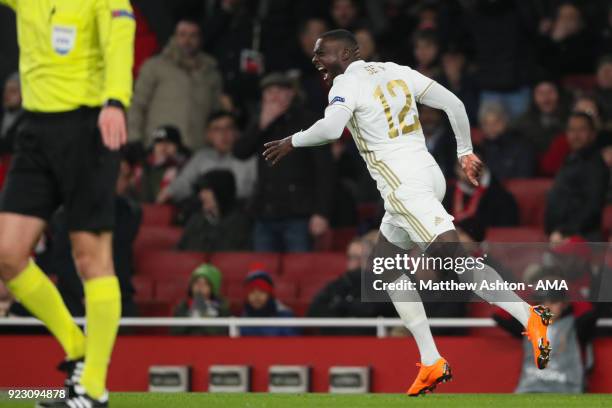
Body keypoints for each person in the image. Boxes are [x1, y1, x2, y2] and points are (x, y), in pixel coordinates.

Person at [263, 29, 552, 396]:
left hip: (404, 187)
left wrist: (293, 140)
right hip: (427, 174)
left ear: (349, 53)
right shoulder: (397, 71)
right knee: (384, 266)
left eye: (324, 54)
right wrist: (464, 151)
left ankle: (530, 318)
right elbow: (456, 105)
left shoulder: (346, 85)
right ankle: (431, 360)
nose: (317, 60)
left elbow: (332, 129)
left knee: (454, 262)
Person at [0, 0, 135, 406]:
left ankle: (93, 388)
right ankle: (77, 346)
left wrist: (115, 101)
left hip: (88, 127)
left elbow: (119, 42)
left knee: (91, 259)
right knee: (7, 255)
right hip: (35, 131)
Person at [234, 72, 334, 252]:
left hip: (299, 214)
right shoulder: (260, 123)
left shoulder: (308, 122)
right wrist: (261, 125)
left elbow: (326, 170)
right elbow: (240, 152)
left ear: (291, 94)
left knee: (299, 270)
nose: (273, 96)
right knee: (262, 272)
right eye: (269, 91)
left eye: (279, 90)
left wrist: (322, 212)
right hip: (265, 212)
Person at [128, 18, 223, 151]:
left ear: (200, 39)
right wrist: (134, 139)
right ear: (174, 37)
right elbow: (137, 105)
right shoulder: (155, 66)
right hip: (159, 149)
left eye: (193, 35)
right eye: (182, 35)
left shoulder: (211, 73)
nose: (187, 41)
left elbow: (216, 115)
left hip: (196, 151)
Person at [160, 111, 256, 205]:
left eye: (229, 128)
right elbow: (185, 181)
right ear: (208, 135)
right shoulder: (202, 157)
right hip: (205, 212)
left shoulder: (250, 158)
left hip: (239, 211)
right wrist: (170, 192)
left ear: (237, 132)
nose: (223, 134)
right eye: (217, 129)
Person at [545, 112, 609, 241]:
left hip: (582, 237)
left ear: (592, 134)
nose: (576, 135)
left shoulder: (595, 165)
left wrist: (564, 231)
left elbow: (592, 206)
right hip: (559, 235)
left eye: (582, 130)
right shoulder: (571, 159)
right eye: (571, 130)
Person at [177, 169, 251, 252]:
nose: (201, 195)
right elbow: (179, 251)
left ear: (221, 192)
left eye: (207, 190)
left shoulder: (239, 224)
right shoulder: (196, 220)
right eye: (201, 190)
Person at [478, 101, 535, 180]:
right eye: (486, 124)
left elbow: (524, 177)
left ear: (505, 122)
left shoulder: (523, 145)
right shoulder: (481, 148)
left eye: (496, 122)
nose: (491, 128)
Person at [171, 264, 231, 336]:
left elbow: (222, 333)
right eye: (197, 282)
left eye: (205, 284)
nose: (200, 286)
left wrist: (203, 315)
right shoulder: (183, 306)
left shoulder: (222, 307)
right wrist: (191, 316)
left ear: (212, 288)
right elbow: (175, 331)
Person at [137, 125, 189, 203]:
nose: (163, 147)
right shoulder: (143, 165)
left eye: (168, 142)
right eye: (159, 142)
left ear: (178, 146)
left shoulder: (185, 166)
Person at [240, 270, 298, 336]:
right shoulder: (243, 319)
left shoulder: (285, 317)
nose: (256, 296)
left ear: (270, 294)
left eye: (262, 291)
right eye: (252, 292)